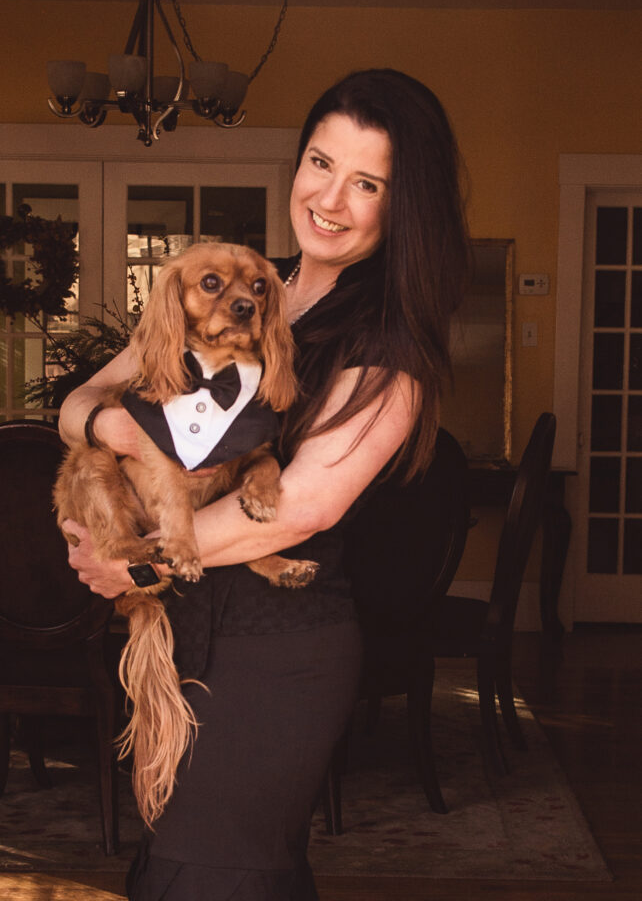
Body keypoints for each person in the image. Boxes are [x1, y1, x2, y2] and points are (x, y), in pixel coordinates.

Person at [58, 68, 470, 901]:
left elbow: (302, 508)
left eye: (367, 183)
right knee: (182, 866)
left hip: (279, 653)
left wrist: (135, 565)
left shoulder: (392, 343)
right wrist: (118, 432)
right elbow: (77, 403)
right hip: (186, 631)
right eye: (321, 163)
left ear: (403, 205)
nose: (330, 198)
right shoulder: (244, 281)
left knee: (215, 875)